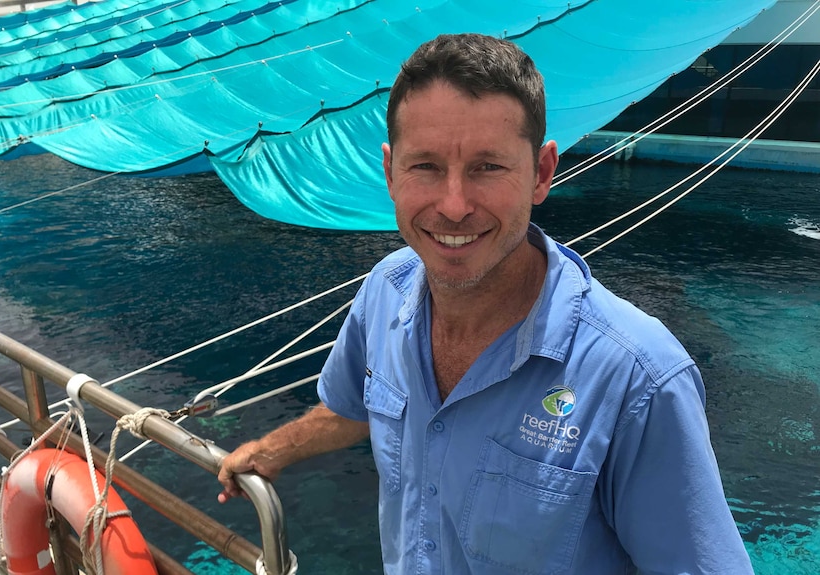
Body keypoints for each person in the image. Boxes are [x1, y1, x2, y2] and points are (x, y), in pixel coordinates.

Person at [218, 33, 753, 574]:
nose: (453, 206)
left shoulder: (638, 379)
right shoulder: (386, 291)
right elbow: (356, 407)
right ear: (389, 173)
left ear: (543, 173)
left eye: (487, 167)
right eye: (424, 166)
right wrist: (274, 448)